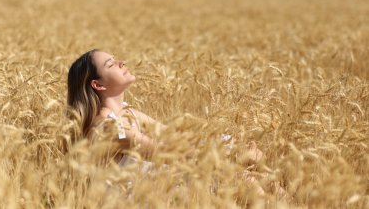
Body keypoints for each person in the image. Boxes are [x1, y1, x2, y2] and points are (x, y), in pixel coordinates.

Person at [67, 49, 288, 199]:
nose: (121, 62)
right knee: (242, 176)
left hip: (163, 180)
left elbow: (173, 136)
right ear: (98, 85)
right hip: (144, 196)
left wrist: (233, 147)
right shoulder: (107, 126)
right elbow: (169, 151)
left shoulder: (130, 113)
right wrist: (229, 154)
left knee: (259, 172)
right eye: (111, 64)